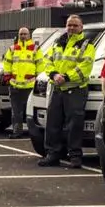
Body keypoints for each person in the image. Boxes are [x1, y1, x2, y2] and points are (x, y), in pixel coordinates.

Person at [37, 15, 97, 169]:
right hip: (57, 88)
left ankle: (75, 156)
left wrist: (67, 77)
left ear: (81, 27)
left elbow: (86, 67)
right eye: (69, 25)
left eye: (75, 25)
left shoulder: (87, 45)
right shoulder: (58, 42)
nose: (71, 28)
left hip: (75, 89)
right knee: (53, 124)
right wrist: (54, 74)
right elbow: (47, 60)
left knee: (74, 125)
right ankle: (52, 154)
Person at [2, 27, 41, 139]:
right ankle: (17, 132)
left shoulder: (35, 49)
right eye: (21, 34)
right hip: (15, 86)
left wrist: (38, 80)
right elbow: (7, 64)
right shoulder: (12, 49)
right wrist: (8, 78)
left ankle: (33, 133)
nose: (23, 36)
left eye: (25, 34)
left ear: (29, 35)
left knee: (31, 111)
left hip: (30, 85)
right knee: (16, 112)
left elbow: (40, 65)